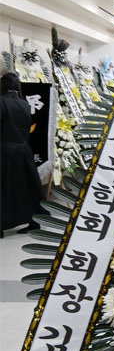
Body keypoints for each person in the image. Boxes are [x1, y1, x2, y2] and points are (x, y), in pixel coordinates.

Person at [0, 72, 45, 237]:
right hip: (24, 149)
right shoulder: (24, 103)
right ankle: (34, 221)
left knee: (4, 188)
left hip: (4, 149)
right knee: (27, 187)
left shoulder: (1, 102)